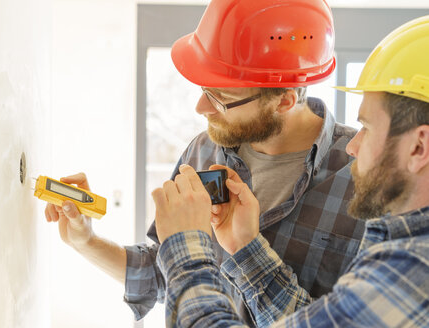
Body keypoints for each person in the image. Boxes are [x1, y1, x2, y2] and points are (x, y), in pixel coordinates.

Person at [44, 0, 364, 324]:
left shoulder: (365, 177)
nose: (200, 107)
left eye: (219, 98)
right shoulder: (205, 150)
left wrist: (246, 249)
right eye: (203, 89)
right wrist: (86, 241)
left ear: (284, 100)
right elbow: (167, 272)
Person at [153, 15, 429, 327]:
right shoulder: (399, 252)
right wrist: (246, 248)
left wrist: (186, 248)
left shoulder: (413, 271)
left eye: (367, 126)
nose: (354, 146)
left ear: (419, 146)